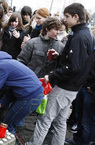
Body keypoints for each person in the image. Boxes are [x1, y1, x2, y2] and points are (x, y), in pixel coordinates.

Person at [26, 3, 94, 145]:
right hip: (73, 86)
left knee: (45, 119)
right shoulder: (85, 34)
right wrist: (60, 56)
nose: (64, 20)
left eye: (67, 16)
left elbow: (74, 67)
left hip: (65, 86)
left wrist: (52, 76)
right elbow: (78, 61)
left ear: (76, 17)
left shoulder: (80, 36)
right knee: (60, 121)